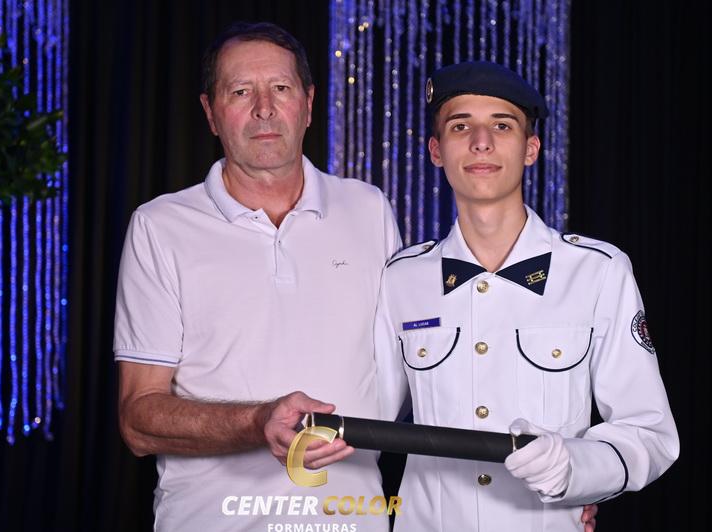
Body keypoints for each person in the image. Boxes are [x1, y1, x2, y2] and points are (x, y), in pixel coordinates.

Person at [114, 22, 402, 531]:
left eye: (281, 88)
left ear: (308, 104)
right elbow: (138, 420)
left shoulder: (369, 208)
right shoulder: (160, 227)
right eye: (241, 91)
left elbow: (420, 366)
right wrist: (257, 420)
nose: (264, 109)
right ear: (210, 112)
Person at [373, 61, 680, 530]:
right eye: (460, 126)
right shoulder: (401, 278)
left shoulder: (598, 272)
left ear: (530, 148)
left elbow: (649, 433)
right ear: (436, 151)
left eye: (502, 126)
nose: (481, 142)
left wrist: (575, 469)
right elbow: (367, 412)